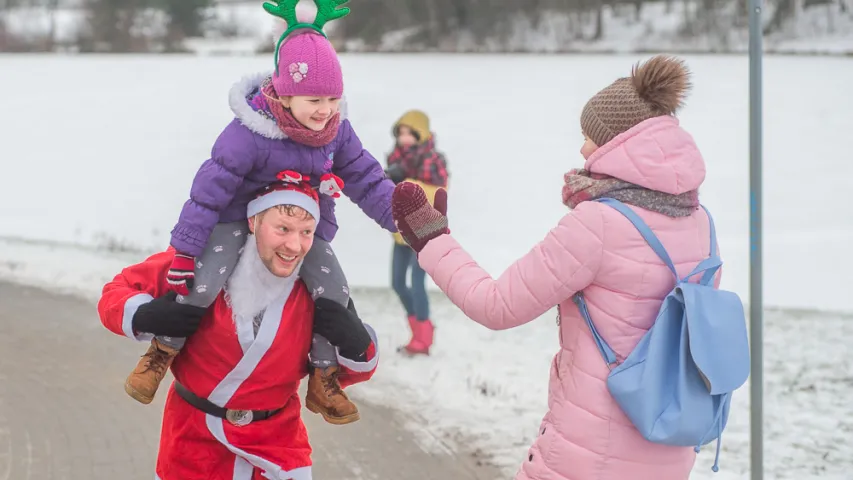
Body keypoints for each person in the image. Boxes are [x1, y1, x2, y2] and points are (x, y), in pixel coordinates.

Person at [391, 56, 713, 479]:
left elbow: (497, 305)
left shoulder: (598, 225)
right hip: (670, 445)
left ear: (620, 144)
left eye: (590, 138)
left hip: (587, 455)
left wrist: (432, 241)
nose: (582, 149)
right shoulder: (699, 220)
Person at [123, 0, 396, 426]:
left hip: (300, 222)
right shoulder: (249, 132)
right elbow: (207, 194)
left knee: (334, 292)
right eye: (313, 98)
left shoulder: (335, 131)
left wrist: (405, 217)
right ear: (284, 93)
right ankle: (161, 352)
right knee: (203, 280)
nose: (324, 109)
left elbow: (366, 177)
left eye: (332, 98)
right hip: (236, 218)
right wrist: (184, 251)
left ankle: (324, 378)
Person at [98, 178, 379, 480]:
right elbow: (117, 291)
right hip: (192, 447)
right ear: (254, 221)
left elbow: (347, 372)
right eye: (282, 229)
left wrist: (355, 342)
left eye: (306, 232)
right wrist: (146, 315)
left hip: (276, 452)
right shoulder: (201, 267)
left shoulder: (315, 290)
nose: (294, 246)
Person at [384, 110, 449, 355]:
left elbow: (438, 194)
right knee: (398, 283)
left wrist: (409, 182)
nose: (404, 138)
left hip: (425, 231)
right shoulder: (394, 159)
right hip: (401, 233)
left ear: (420, 133)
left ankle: (423, 338)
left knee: (417, 282)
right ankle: (418, 331)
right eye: (400, 133)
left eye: (409, 133)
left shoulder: (433, 160)